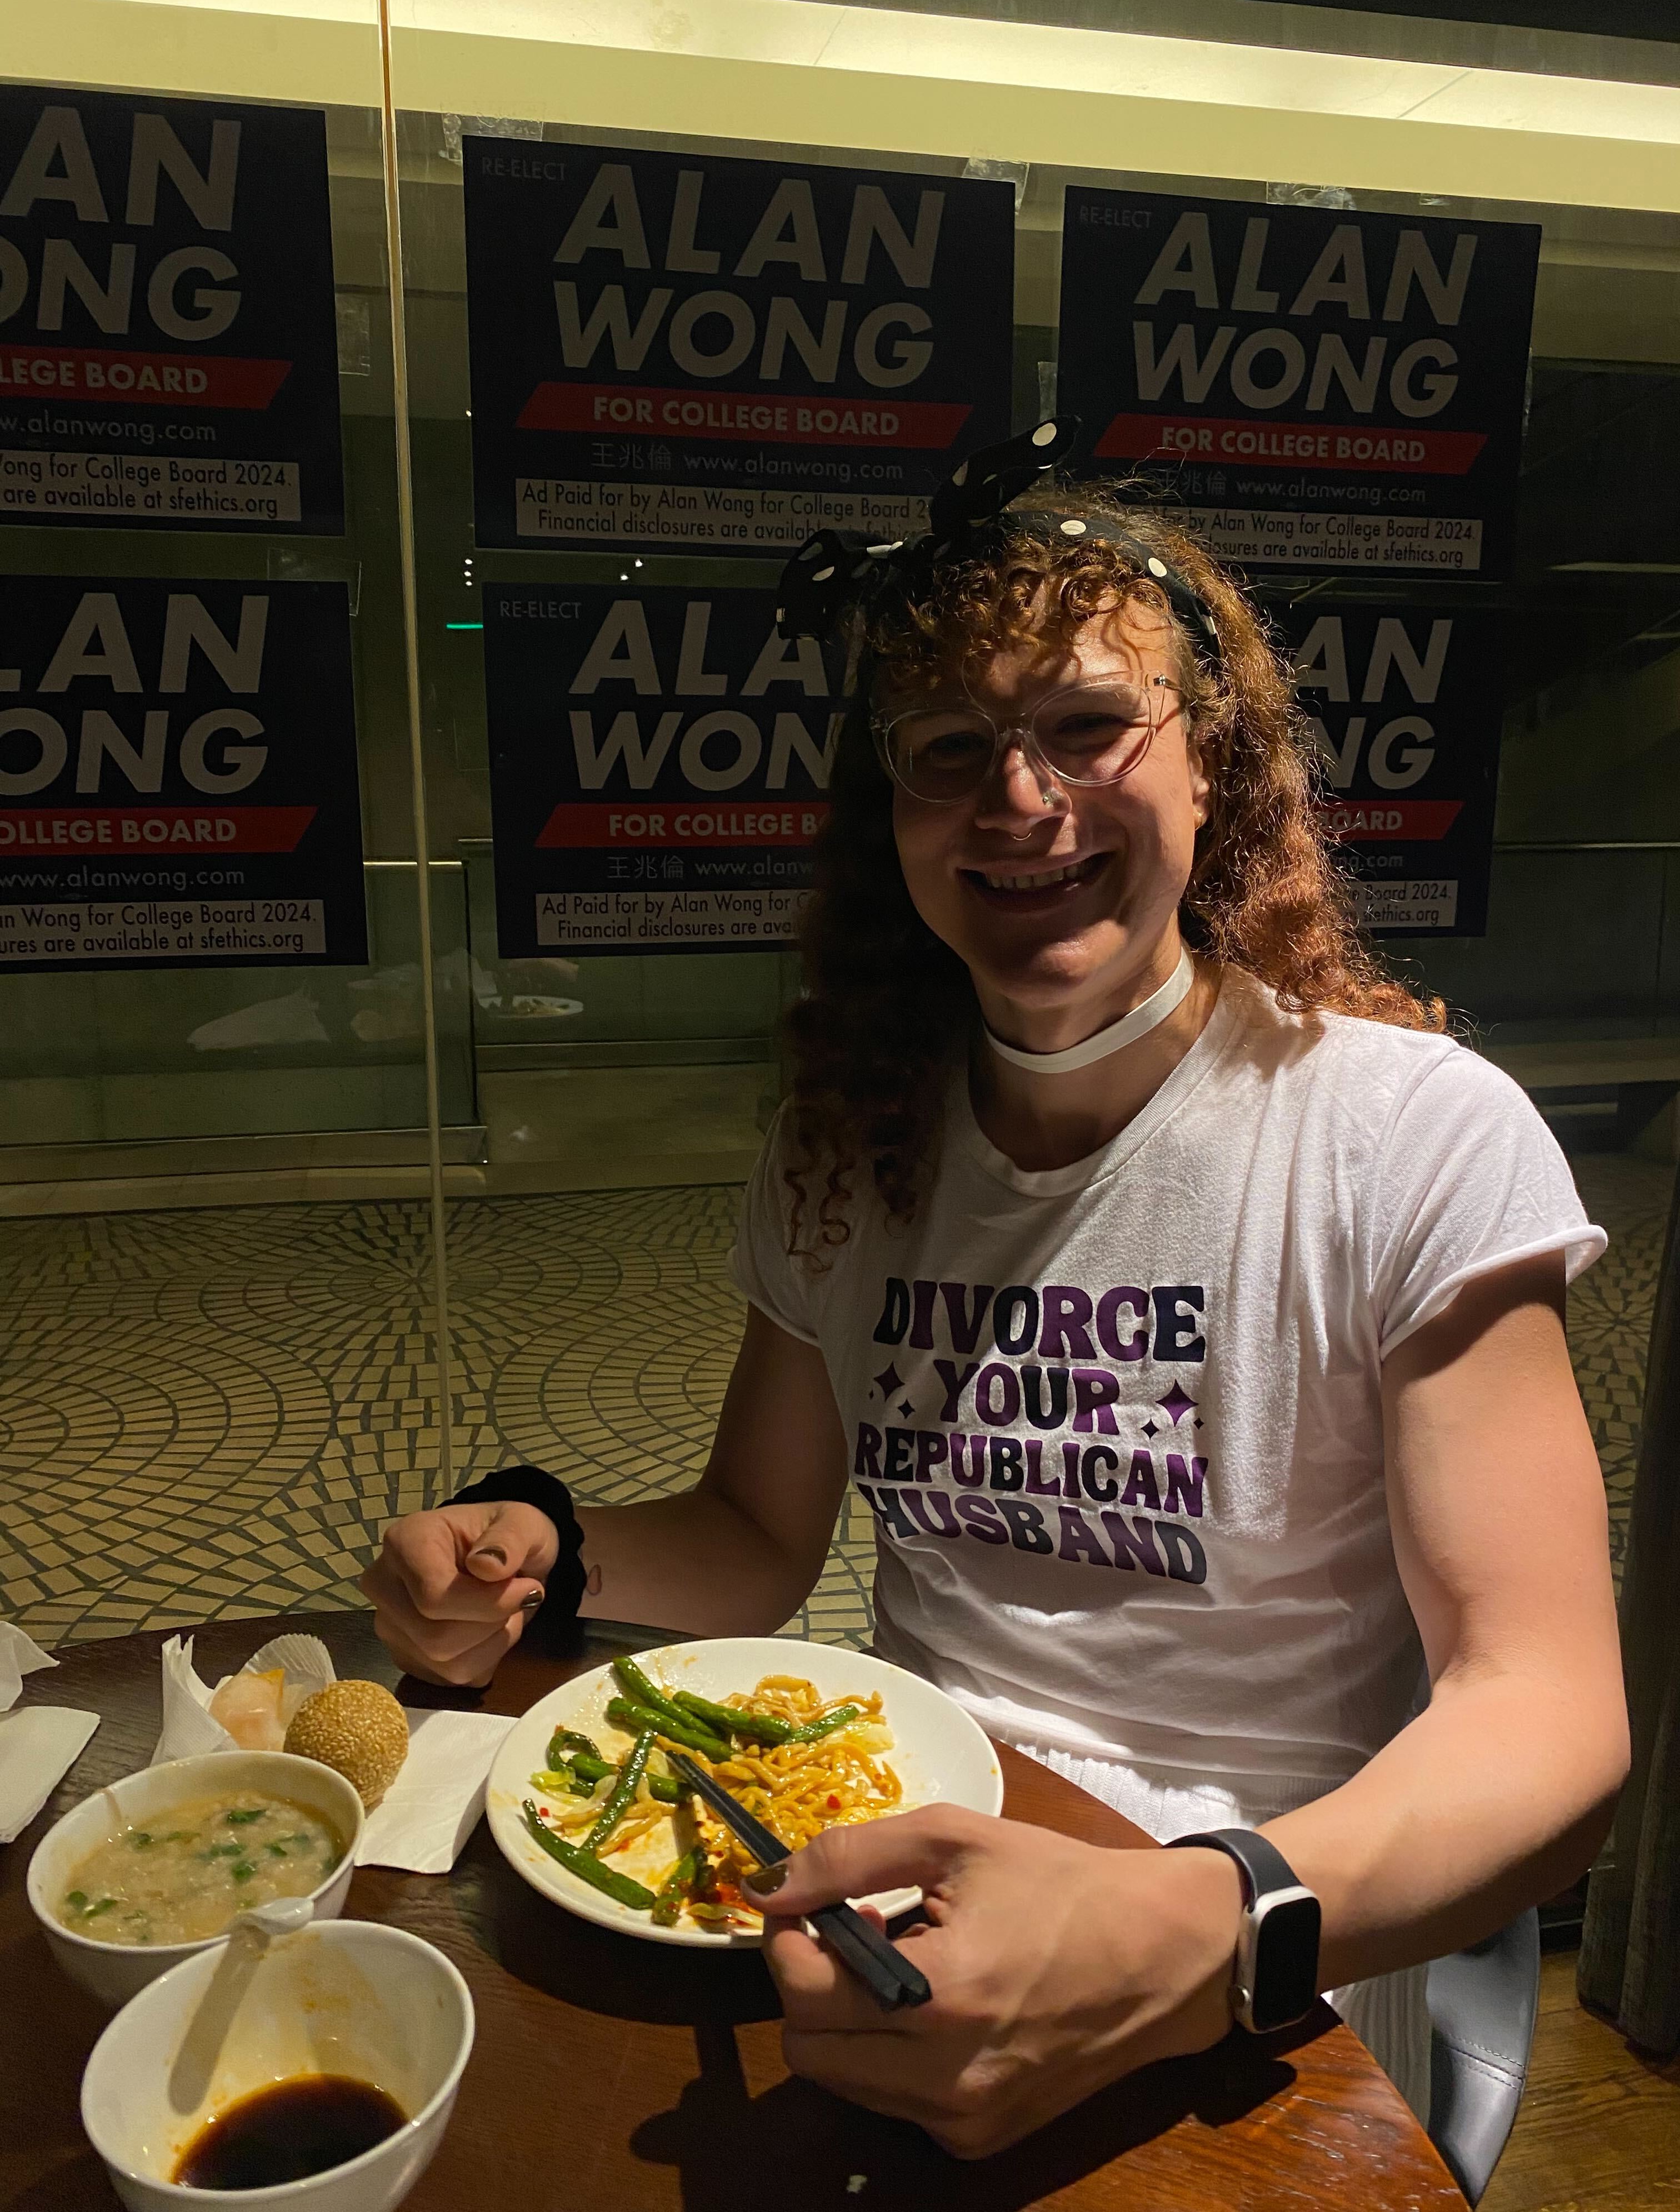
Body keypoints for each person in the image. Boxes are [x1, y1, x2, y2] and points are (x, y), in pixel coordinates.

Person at [363, 424, 1628, 2158]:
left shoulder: (1401, 1137)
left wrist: (1198, 1922)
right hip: (893, 1889)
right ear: (893, 818)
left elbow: (1547, 1714)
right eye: (951, 748)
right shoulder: (847, 1147)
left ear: (1217, 770)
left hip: (1263, 1944)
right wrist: (532, 1549)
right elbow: (751, 1531)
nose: (1021, 799)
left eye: (1090, 726)